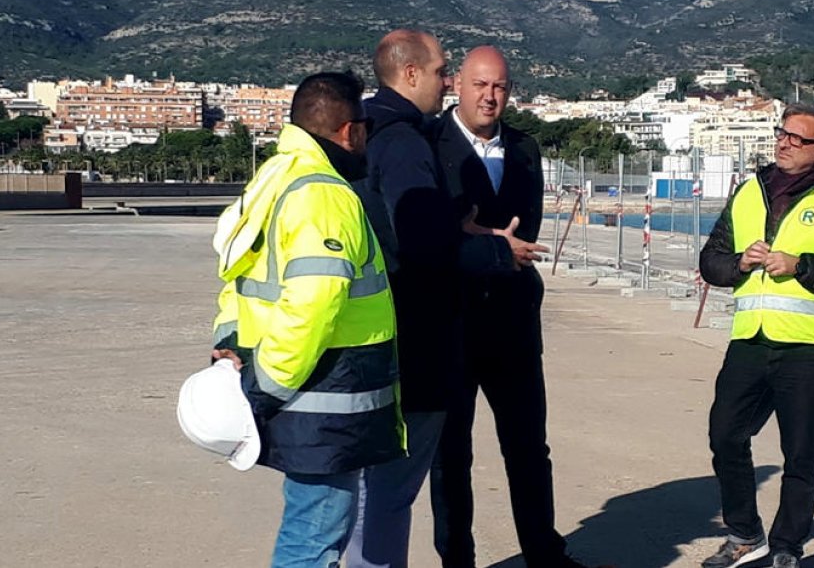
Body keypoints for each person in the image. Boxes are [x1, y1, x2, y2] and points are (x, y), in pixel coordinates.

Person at [347, 30, 537, 568]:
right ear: (411, 74)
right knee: (394, 491)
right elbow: (421, 243)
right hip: (428, 333)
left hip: (490, 330)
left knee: (369, 493)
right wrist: (494, 251)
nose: (447, 81)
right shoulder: (411, 140)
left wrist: (458, 228)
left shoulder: (368, 135)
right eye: (443, 72)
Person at [209, 71, 404, 568]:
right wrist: (268, 385)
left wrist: (233, 345)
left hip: (297, 393)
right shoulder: (326, 194)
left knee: (309, 528)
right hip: (322, 399)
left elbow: (237, 276)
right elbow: (313, 302)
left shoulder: (275, 177)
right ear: (347, 130)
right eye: (365, 126)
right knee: (313, 538)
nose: (367, 138)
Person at [427, 46, 594, 568]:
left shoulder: (525, 148)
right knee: (450, 456)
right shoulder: (429, 144)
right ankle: (458, 559)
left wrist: (490, 241)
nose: (489, 96)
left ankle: (543, 553)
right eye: (479, 85)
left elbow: (530, 229)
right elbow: (424, 233)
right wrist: (476, 239)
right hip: (450, 325)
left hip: (514, 323)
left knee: (528, 448)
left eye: (498, 87)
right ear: (457, 84)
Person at [699, 104, 814, 568]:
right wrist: (740, 263)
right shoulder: (749, 191)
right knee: (725, 434)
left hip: (812, 345)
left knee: (800, 452)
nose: (785, 143)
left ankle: (787, 546)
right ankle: (745, 532)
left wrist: (800, 265)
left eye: (798, 138)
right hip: (751, 338)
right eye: (782, 134)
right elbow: (711, 261)